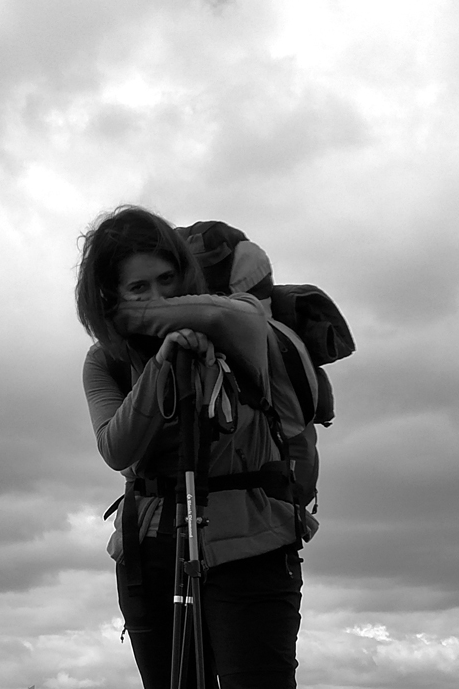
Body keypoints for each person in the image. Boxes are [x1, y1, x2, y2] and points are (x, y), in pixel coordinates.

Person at [76, 205, 305, 689]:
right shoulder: (105, 361)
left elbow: (223, 313)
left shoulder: (239, 323)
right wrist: (161, 363)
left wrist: (122, 313)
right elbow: (117, 449)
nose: (160, 298)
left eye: (167, 280)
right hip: (150, 550)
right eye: (139, 288)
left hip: (252, 543)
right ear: (112, 292)